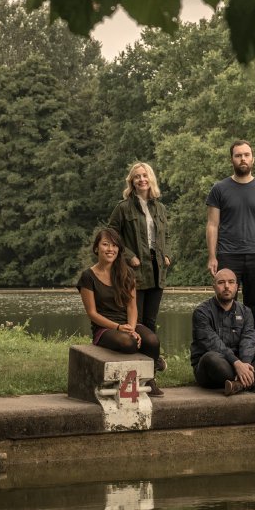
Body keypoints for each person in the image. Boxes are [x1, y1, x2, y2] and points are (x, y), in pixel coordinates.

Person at [77, 227, 165, 397]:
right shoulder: (88, 276)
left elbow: (132, 307)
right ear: (96, 248)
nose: (110, 249)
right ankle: (149, 364)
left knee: (152, 340)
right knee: (128, 343)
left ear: (119, 249)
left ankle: (150, 378)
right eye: (105, 244)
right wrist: (118, 328)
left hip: (128, 323)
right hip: (105, 328)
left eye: (114, 245)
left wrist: (131, 328)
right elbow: (92, 314)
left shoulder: (127, 273)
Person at [206, 140, 255, 342]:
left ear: (253, 158)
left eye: (246, 155)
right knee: (225, 305)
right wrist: (212, 256)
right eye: (238, 155)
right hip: (228, 254)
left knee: (254, 307)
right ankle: (227, 352)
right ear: (232, 160)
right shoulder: (219, 189)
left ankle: (251, 354)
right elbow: (212, 225)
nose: (243, 159)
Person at [191, 268, 255, 396]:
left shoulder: (246, 312)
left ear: (236, 286)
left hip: (239, 364)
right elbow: (212, 343)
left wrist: (245, 363)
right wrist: (236, 363)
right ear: (214, 286)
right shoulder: (201, 312)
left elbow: (248, 339)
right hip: (213, 369)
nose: (226, 286)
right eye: (221, 282)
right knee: (211, 357)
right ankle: (253, 382)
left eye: (231, 282)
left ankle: (239, 384)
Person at [108, 161, 171, 333]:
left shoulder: (160, 208)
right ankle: (135, 354)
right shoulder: (123, 208)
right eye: (137, 177)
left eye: (145, 175)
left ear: (151, 179)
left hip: (157, 268)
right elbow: (111, 235)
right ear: (132, 182)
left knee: (151, 320)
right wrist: (128, 256)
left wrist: (167, 254)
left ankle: (151, 356)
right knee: (137, 318)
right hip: (134, 269)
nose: (142, 179)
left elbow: (166, 235)